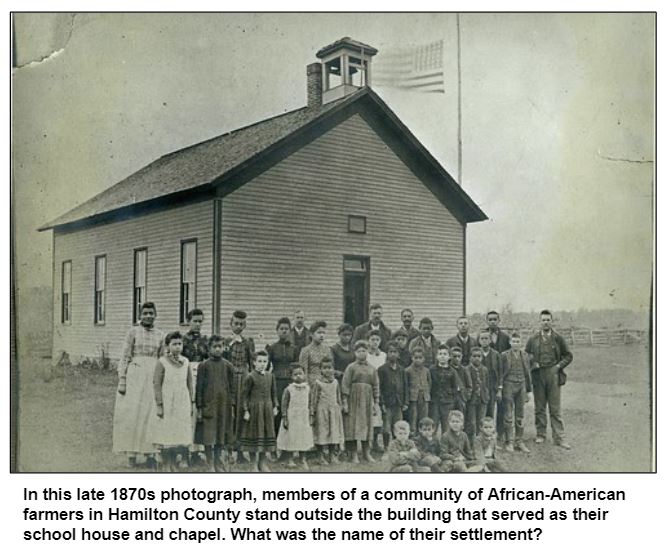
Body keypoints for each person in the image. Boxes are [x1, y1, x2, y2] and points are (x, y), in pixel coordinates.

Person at [112, 301, 163, 468]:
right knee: (133, 413)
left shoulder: (160, 335)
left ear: (155, 315)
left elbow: (162, 359)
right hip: (135, 375)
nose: (148, 316)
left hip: (153, 376)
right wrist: (123, 378)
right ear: (140, 315)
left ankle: (149, 454)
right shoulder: (133, 332)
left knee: (150, 413)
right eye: (145, 313)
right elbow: (126, 356)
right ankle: (131, 454)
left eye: (151, 313)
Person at [525, 310, 573, 449]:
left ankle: (559, 437)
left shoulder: (558, 338)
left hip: (553, 374)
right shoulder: (533, 339)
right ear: (539, 322)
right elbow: (526, 355)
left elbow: (568, 356)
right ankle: (541, 434)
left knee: (555, 408)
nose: (545, 322)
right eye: (543, 320)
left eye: (548, 320)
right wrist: (534, 364)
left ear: (552, 321)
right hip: (538, 375)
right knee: (539, 407)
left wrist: (558, 366)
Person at [150, 331, 194, 472]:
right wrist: (159, 405)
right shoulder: (162, 362)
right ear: (167, 346)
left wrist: (191, 401)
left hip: (182, 401)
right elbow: (157, 383)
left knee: (178, 432)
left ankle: (175, 461)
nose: (177, 347)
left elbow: (189, 383)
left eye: (180, 344)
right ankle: (166, 462)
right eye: (174, 344)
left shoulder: (186, 362)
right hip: (167, 401)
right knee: (167, 432)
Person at [195, 335, 236, 472]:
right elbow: (199, 387)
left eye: (220, 346)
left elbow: (232, 388)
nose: (218, 349)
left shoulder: (228, 366)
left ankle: (218, 461)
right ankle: (210, 462)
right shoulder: (204, 366)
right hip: (209, 405)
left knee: (220, 434)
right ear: (209, 349)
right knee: (209, 435)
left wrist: (232, 405)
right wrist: (200, 407)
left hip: (223, 406)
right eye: (215, 347)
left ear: (224, 348)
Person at [341, 340, 380, 464]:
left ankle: (366, 453)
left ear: (367, 352)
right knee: (352, 426)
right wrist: (345, 402)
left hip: (367, 400)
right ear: (355, 352)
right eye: (359, 351)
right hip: (353, 399)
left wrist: (376, 402)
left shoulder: (372, 369)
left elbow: (376, 386)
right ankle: (353, 454)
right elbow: (345, 385)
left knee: (366, 425)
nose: (362, 353)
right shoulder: (351, 367)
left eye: (364, 350)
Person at [240, 351, 278, 471]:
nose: (262, 364)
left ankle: (262, 462)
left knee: (266, 434)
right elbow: (244, 396)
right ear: (254, 363)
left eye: (264, 361)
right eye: (259, 361)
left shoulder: (270, 376)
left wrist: (275, 406)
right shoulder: (250, 377)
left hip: (267, 410)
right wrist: (246, 410)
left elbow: (274, 393)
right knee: (254, 435)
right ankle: (253, 463)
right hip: (255, 410)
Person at [222, 310, 255, 441]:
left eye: (241, 324)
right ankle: (229, 442)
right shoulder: (226, 341)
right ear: (231, 324)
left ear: (244, 326)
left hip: (244, 376)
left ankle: (240, 442)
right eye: (236, 323)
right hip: (230, 377)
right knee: (230, 408)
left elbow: (251, 361)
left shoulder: (248, 342)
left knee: (242, 408)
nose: (238, 327)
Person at [182, 308, 208, 467]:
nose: (197, 324)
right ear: (189, 321)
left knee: (199, 413)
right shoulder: (183, 340)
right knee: (187, 412)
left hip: (202, 376)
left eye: (200, 321)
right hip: (187, 375)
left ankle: (197, 452)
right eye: (195, 321)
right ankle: (185, 452)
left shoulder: (205, 340)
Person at [277, 364, 315, 470]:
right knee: (291, 437)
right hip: (292, 417)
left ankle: (303, 459)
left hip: (303, 417)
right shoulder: (289, 389)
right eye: (295, 374)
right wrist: (285, 417)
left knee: (303, 437)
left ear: (304, 374)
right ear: (291, 376)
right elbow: (284, 404)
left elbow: (311, 403)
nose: (298, 376)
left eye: (300, 374)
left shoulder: (308, 388)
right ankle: (290, 459)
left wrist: (311, 415)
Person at [500, 333, 532, 453]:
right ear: (510, 342)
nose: (516, 344)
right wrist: (500, 387)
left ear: (521, 343)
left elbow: (527, 373)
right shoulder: (504, 355)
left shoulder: (525, 355)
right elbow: (500, 373)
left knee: (520, 415)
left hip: (522, 385)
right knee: (508, 415)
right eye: (514, 341)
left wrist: (528, 391)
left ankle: (519, 440)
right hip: (508, 385)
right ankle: (509, 441)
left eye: (518, 341)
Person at [267, 317, 298, 432]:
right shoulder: (272, 348)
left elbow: (296, 366)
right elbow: (266, 366)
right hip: (276, 382)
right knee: (278, 408)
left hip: (290, 381)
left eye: (286, 329)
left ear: (290, 331)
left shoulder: (294, 348)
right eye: (281, 328)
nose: (284, 331)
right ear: (277, 330)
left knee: (290, 408)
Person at [311, 358, 344, 465]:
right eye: (324, 368)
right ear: (320, 370)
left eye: (329, 368)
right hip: (322, 411)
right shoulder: (318, 383)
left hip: (333, 411)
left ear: (333, 369)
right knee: (322, 432)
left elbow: (338, 395)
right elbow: (314, 398)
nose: (327, 370)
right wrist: (313, 411)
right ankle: (320, 456)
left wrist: (340, 406)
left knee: (333, 432)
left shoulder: (335, 382)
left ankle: (331, 455)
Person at [378, 341, 407, 450]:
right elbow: (379, 388)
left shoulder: (401, 370)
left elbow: (405, 386)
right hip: (387, 402)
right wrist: (382, 403)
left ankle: (397, 447)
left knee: (398, 426)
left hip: (398, 402)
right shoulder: (382, 370)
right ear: (387, 353)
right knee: (386, 428)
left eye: (395, 352)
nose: (393, 354)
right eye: (390, 352)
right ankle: (386, 447)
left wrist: (405, 402)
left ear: (398, 354)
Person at [429, 344, 463, 435]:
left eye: (445, 354)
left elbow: (456, 388)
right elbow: (429, 385)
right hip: (434, 401)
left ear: (449, 357)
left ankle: (446, 446)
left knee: (446, 426)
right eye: (440, 354)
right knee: (433, 425)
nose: (442, 356)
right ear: (436, 356)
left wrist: (453, 400)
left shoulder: (452, 371)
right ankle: (433, 446)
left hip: (448, 402)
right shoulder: (432, 370)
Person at [478, 330, 503, 434]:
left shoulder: (496, 354)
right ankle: (479, 435)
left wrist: (499, 390)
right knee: (480, 412)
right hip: (479, 387)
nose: (484, 341)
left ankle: (490, 435)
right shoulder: (476, 353)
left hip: (492, 387)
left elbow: (500, 372)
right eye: (482, 339)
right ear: (479, 340)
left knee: (490, 411)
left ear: (490, 340)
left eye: (486, 338)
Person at [464, 347, 490, 444]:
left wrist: (485, 395)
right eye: (474, 356)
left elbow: (486, 384)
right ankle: (471, 442)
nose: (477, 358)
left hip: (482, 399)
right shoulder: (466, 369)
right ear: (470, 357)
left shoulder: (485, 370)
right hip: (472, 400)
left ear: (482, 357)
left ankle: (481, 442)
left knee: (481, 421)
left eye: (479, 356)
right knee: (472, 422)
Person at [404, 346, 431, 434]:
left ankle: (423, 435)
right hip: (413, 398)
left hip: (424, 397)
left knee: (424, 418)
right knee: (413, 418)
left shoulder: (426, 370)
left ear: (423, 359)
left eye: (420, 358)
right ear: (412, 358)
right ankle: (413, 436)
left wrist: (426, 393)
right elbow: (406, 386)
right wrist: (407, 400)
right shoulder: (408, 371)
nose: (418, 360)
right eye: (416, 358)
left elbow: (429, 383)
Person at [299, 321, 334, 387]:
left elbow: (331, 369)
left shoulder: (327, 350)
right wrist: (306, 386)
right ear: (311, 334)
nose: (321, 335)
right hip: (312, 384)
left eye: (323, 333)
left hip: (325, 384)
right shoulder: (305, 350)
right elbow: (303, 371)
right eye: (319, 332)